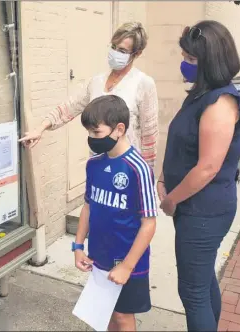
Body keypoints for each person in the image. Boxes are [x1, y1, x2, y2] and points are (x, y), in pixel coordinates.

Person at [157, 21, 240, 331]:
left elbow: (208, 167)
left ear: (211, 62)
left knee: (192, 292)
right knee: (203, 280)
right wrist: (163, 177)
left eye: (192, 59)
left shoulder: (220, 103)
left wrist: (171, 200)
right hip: (195, 207)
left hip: (203, 210)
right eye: (184, 56)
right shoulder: (201, 94)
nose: (184, 63)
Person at [19, 22, 159, 169]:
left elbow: (149, 134)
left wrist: (147, 171)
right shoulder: (96, 82)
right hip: (98, 162)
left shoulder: (143, 83)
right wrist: (40, 129)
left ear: (136, 54)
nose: (115, 53)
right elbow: (69, 107)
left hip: (128, 166)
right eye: (113, 47)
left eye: (122, 51)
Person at [72, 95, 157, 331]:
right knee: (105, 313)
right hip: (100, 256)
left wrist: (127, 266)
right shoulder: (94, 164)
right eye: (88, 132)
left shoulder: (138, 168)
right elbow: (88, 206)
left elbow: (149, 223)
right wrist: (78, 247)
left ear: (119, 129)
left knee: (122, 316)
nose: (91, 138)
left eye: (96, 132)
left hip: (128, 260)